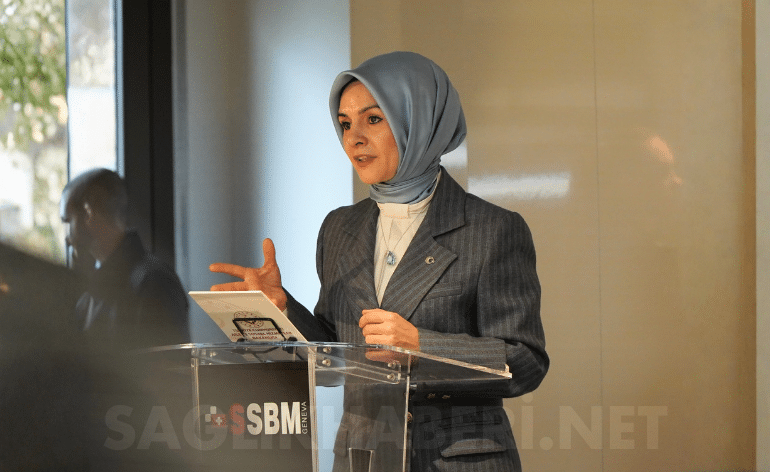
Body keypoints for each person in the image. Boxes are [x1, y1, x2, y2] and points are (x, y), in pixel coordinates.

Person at [209, 51, 548, 471]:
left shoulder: (492, 229)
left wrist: (422, 348)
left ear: (418, 123)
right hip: (363, 458)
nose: (353, 139)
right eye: (345, 123)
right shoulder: (339, 227)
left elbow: (526, 362)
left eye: (372, 119)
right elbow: (337, 358)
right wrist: (280, 309)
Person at [60, 168, 189, 349]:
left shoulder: (154, 283)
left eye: (68, 221)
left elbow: (170, 364)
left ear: (89, 214)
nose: (67, 238)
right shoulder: (93, 294)